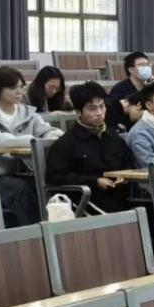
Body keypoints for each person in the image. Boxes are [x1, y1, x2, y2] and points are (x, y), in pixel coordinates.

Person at [46, 82, 137, 213]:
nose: (99, 113)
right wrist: (95, 181)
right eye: (92, 109)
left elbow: (129, 163)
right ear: (78, 111)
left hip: (121, 194)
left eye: (102, 107)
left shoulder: (113, 136)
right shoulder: (67, 143)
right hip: (89, 200)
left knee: (151, 205)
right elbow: (55, 177)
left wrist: (123, 177)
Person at [0, 67, 63, 226]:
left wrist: (50, 138)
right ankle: (35, 234)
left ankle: (55, 231)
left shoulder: (28, 113)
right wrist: (32, 140)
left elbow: (49, 131)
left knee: (48, 185)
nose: (19, 92)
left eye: (21, 87)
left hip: (23, 172)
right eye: (13, 87)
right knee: (21, 190)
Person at [107, 52, 154, 131]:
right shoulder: (119, 89)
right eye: (141, 65)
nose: (146, 68)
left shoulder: (150, 88)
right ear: (131, 69)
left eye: (147, 65)